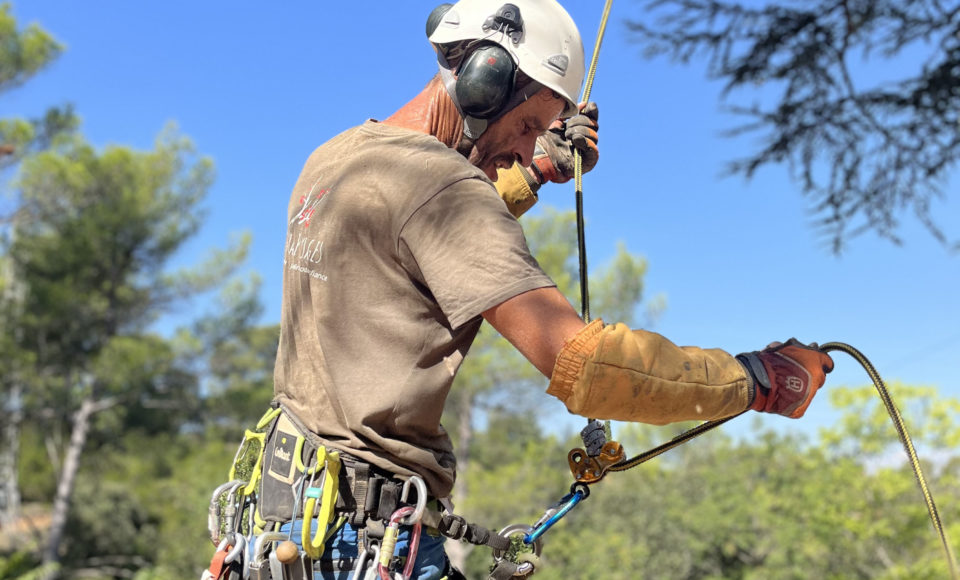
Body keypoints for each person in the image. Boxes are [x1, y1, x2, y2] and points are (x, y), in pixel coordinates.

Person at [256, 1, 835, 578]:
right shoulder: (444, 188)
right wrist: (755, 381)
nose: (527, 145)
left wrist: (535, 173)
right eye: (529, 125)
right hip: (363, 538)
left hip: (286, 516)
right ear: (487, 80)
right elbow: (586, 365)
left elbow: (412, 239)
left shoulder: (336, 158)